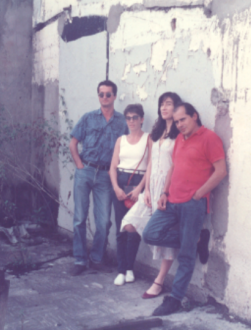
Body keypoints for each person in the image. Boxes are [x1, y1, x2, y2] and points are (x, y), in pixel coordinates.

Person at [142, 102, 227, 316]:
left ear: (195, 116)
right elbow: (173, 167)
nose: (179, 124)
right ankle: (197, 239)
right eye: (177, 121)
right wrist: (164, 192)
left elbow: (221, 171)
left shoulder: (209, 138)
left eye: (183, 120)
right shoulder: (180, 138)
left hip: (193, 205)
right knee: (150, 234)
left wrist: (199, 194)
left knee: (186, 256)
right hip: (171, 200)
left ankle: (174, 300)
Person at [119, 92, 182, 297]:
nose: (164, 108)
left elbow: (176, 165)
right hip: (150, 188)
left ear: (177, 107)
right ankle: (192, 239)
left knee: (164, 236)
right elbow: (151, 164)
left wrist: (166, 190)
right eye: (162, 104)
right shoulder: (158, 132)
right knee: (129, 223)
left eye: (169, 104)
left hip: (167, 189)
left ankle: (159, 281)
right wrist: (144, 189)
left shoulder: (179, 134)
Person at [69, 80, 128, 276]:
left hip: (105, 175)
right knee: (79, 218)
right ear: (98, 96)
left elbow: (127, 147)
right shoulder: (88, 118)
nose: (104, 98)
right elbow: (73, 143)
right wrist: (79, 164)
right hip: (85, 171)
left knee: (103, 222)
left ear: (114, 96)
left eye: (108, 94)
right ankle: (79, 259)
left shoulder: (122, 122)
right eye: (101, 94)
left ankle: (96, 258)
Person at [109, 104, 149, 286]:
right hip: (121, 183)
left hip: (138, 184)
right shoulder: (121, 140)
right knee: (120, 229)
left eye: (135, 117)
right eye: (128, 118)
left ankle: (130, 268)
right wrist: (116, 188)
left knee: (133, 229)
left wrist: (140, 188)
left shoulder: (149, 139)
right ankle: (121, 270)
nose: (131, 121)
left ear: (141, 119)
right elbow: (112, 167)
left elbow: (151, 166)